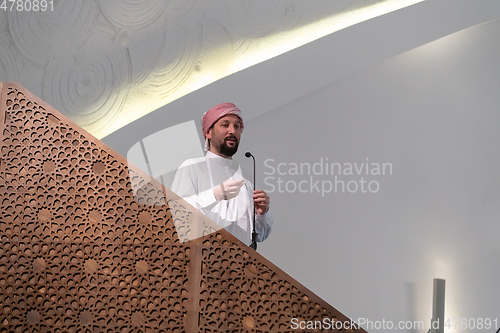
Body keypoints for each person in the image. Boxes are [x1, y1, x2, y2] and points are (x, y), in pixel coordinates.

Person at [171, 102, 273, 246]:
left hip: (244, 264)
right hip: (204, 258)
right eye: (225, 125)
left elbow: (260, 236)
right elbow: (177, 213)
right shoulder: (192, 167)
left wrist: (262, 214)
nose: (232, 131)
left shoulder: (247, 179)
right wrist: (214, 195)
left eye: (237, 126)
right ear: (208, 132)